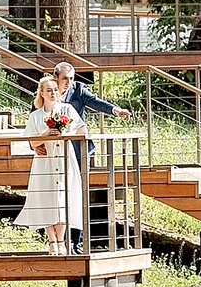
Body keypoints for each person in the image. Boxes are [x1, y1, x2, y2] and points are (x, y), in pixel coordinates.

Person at [16, 65, 133, 254]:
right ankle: (57, 241)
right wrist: (34, 144)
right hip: (47, 155)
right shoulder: (43, 96)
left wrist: (116, 110)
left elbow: (95, 103)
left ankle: (73, 243)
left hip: (75, 151)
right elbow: (33, 127)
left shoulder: (77, 91)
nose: (69, 83)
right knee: (50, 195)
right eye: (65, 79)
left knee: (73, 193)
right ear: (55, 77)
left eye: (71, 78)